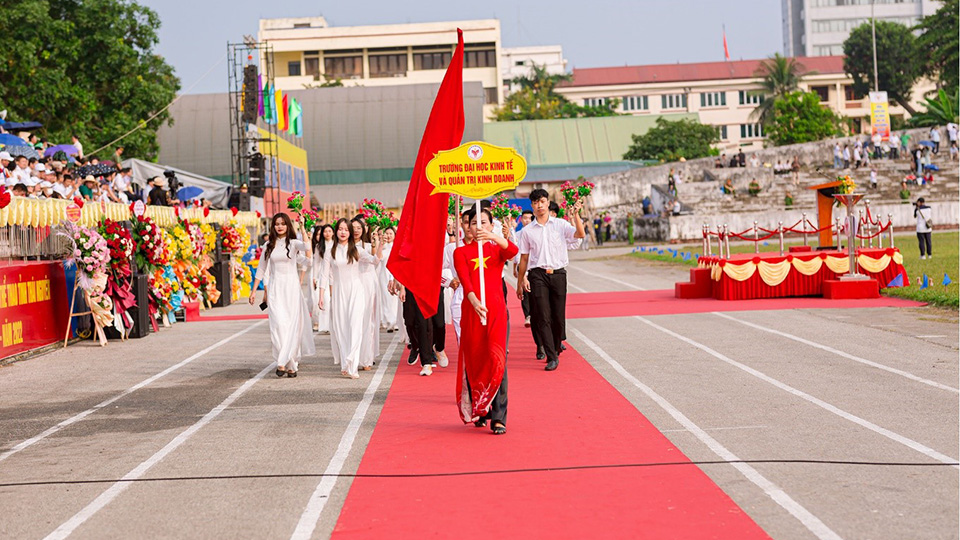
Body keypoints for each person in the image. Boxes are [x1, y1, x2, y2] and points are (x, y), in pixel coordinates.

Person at [454, 207, 518, 435]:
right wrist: (473, 301)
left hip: (496, 312)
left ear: (492, 225)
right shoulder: (460, 252)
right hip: (472, 312)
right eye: (473, 223)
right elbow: (465, 281)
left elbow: (513, 251)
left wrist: (493, 237)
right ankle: (481, 410)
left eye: (483, 222)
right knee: (476, 359)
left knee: (497, 358)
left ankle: (499, 417)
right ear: (467, 227)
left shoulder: (496, 249)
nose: (478, 226)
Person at [516, 189, 585, 372]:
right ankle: (551, 356)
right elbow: (524, 258)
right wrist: (520, 282)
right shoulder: (527, 231)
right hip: (537, 275)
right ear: (532, 206)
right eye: (536, 202)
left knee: (558, 317)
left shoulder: (560, 225)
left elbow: (580, 234)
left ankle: (555, 347)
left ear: (548, 203)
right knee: (543, 316)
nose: (539, 205)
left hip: (559, 274)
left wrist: (576, 215)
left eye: (542, 201)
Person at [249, 213, 315, 378]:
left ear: (287, 226)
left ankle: (286, 362)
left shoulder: (293, 244)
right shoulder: (268, 246)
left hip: (291, 289)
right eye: (277, 224)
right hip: (275, 289)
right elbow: (261, 269)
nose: (279, 226)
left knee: (292, 326)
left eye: (283, 224)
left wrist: (302, 226)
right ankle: (285, 361)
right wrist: (253, 290)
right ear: (273, 226)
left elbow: (307, 248)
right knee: (278, 325)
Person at [323, 218, 382, 379]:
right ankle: (345, 363)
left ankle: (353, 364)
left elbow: (375, 261)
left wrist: (380, 243)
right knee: (341, 329)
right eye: (340, 229)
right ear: (337, 231)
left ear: (349, 233)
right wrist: (322, 296)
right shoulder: (330, 251)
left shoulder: (357, 250)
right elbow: (324, 275)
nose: (343, 232)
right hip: (339, 293)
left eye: (346, 229)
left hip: (356, 291)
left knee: (355, 327)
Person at [351, 218, 381, 371]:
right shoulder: (344, 247)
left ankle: (367, 357)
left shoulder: (368, 246)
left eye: (359, 227)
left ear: (364, 230)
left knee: (368, 320)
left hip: (368, 283)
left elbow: (375, 259)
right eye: (353, 227)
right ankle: (354, 355)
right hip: (352, 283)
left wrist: (377, 241)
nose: (356, 230)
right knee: (354, 321)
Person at [310, 224, 335, 334]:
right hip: (322, 275)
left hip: (334, 275)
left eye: (330, 231)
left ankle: (333, 324)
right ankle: (324, 325)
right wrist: (314, 277)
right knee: (324, 300)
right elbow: (316, 263)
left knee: (332, 300)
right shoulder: (318, 247)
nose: (327, 233)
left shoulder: (336, 245)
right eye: (325, 231)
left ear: (333, 232)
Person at [378, 226, 400, 333]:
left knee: (394, 299)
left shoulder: (397, 247)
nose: (388, 235)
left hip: (394, 274)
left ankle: (395, 321)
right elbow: (379, 258)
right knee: (386, 298)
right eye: (386, 233)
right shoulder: (383, 247)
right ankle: (388, 321)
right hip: (383, 274)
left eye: (391, 233)